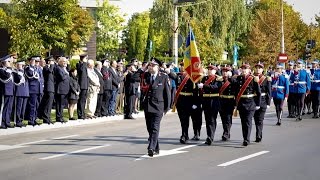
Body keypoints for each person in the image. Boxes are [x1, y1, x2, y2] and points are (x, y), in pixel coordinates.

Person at [142, 58, 171, 157]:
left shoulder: (163, 77)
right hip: (147, 106)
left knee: (155, 127)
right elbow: (135, 77)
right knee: (149, 128)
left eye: (153, 65)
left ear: (158, 67)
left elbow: (167, 93)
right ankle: (156, 147)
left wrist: (167, 108)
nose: (151, 67)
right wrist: (143, 68)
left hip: (159, 107)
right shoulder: (145, 76)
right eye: (150, 65)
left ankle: (151, 147)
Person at [175, 62, 203, 144]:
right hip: (181, 100)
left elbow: (197, 91)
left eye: (184, 66)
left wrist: (196, 102)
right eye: (181, 66)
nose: (182, 67)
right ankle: (184, 135)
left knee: (195, 119)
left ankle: (196, 133)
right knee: (183, 120)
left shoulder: (194, 77)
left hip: (191, 100)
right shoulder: (179, 76)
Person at [235, 63, 261, 146]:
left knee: (248, 121)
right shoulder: (238, 78)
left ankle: (247, 139)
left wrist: (258, 104)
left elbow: (258, 92)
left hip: (250, 103)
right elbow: (236, 92)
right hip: (242, 103)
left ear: (249, 70)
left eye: (245, 69)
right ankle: (245, 138)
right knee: (243, 122)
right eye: (242, 68)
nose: (244, 70)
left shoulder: (253, 79)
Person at [198, 65, 222, 145]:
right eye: (208, 69)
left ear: (215, 71)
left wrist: (204, 86)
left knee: (212, 119)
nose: (209, 71)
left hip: (214, 101)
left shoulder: (218, 79)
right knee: (207, 120)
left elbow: (215, 87)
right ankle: (209, 135)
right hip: (206, 101)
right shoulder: (204, 78)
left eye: (211, 70)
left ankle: (210, 137)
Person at [253, 62, 271, 143]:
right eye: (256, 68)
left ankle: (258, 135)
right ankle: (258, 133)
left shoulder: (266, 79)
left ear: (262, 69)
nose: (258, 69)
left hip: (263, 101)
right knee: (255, 119)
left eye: (259, 68)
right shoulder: (251, 78)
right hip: (253, 100)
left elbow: (269, 92)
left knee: (260, 119)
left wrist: (268, 103)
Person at [219, 65, 236, 141]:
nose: (225, 73)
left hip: (230, 101)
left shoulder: (232, 81)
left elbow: (236, 91)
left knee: (228, 118)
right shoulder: (220, 80)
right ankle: (226, 132)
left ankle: (226, 133)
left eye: (227, 71)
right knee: (223, 118)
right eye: (223, 71)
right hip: (222, 101)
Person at [25, 56, 43, 126]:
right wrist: (32, 65)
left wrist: (42, 87)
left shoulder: (39, 68)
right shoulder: (28, 68)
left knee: (37, 105)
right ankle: (30, 119)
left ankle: (35, 118)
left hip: (39, 89)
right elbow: (30, 74)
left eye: (38, 61)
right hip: (32, 89)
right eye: (36, 61)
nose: (37, 63)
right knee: (32, 105)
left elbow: (41, 78)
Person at [38, 56, 55, 124]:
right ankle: (45, 117)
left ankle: (48, 117)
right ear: (48, 61)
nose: (52, 62)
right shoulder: (46, 67)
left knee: (50, 104)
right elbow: (49, 71)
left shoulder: (52, 67)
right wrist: (52, 65)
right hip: (48, 88)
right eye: (51, 61)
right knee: (48, 103)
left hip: (52, 87)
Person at [0, 55, 16, 128]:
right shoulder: (1, 70)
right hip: (4, 90)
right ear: (4, 62)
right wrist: (9, 68)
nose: (9, 63)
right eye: (8, 62)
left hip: (10, 90)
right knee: (4, 107)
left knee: (9, 107)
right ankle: (2, 123)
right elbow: (6, 76)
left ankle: (7, 121)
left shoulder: (9, 70)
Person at [55, 57, 70, 123]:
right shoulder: (58, 68)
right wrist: (67, 74)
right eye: (64, 61)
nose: (65, 63)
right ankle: (59, 117)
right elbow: (62, 77)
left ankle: (60, 116)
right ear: (60, 62)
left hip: (65, 89)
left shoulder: (64, 69)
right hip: (60, 89)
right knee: (59, 104)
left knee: (62, 104)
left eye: (66, 61)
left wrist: (66, 72)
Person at [15, 61, 29, 127]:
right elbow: (18, 79)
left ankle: (21, 120)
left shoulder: (24, 72)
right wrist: (19, 70)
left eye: (23, 65)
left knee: (23, 108)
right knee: (19, 107)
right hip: (19, 92)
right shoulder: (16, 72)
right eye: (21, 65)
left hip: (25, 92)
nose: (23, 66)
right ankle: (17, 121)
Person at [76, 54, 89, 119]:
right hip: (81, 85)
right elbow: (80, 71)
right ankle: (80, 114)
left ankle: (83, 113)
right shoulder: (79, 64)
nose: (86, 60)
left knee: (84, 100)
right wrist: (83, 62)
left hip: (85, 85)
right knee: (81, 100)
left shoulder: (84, 65)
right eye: (85, 58)